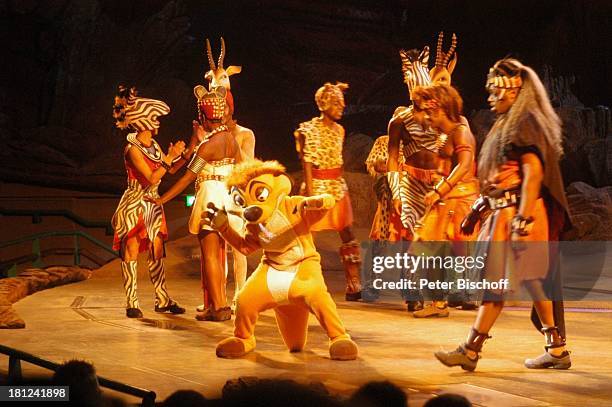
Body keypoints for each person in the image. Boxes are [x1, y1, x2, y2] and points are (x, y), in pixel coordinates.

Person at [434, 58, 571, 370]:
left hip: (518, 216)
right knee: (531, 284)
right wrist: (479, 208)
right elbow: (499, 178)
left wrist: (522, 220)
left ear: (513, 92)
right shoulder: (508, 123)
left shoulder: (525, 124)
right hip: (504, 214)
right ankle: (557, 349)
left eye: (496, 92)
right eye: (491, 92)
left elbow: (533, 174)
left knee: (500, 285)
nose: (490, 97)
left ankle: (470, 350)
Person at [155, 85, 240, 321]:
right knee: (220, 254)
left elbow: (186, 178)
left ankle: (219, 307)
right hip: (227, 197)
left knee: (211, 255)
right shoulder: (231, 141)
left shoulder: (208, 146)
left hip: (210, 198)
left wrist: (161, 199)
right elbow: (243, 171)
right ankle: (218, 303)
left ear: (203, 116)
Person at [111, 86, 186, 318]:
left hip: (152, 203)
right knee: (131, 249)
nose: (158, 123)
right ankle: (131, 302)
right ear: (144, 122)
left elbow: (169, 170)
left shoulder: (154, 146)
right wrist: (171, 158)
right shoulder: (132, 149)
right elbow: (152, 176)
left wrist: (188, 150)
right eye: (155, 119)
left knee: (156, 250)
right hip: (135, 202)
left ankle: (162, 299)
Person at [409, 84, 479, 318]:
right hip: (445, 198)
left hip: (459, 199)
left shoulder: (461, 131)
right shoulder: (444, 135)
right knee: (425, 247)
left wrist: (440, 189)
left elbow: (465, 165)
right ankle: (438, 303)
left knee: (442, 250)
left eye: (430, 112)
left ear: (442, 110)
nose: (427, 117)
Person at [294, 82, 362, 301]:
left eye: (342, 103)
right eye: (336, 103)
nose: (341, 108)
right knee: (306, 235)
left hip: (337, 187)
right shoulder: (308, 129)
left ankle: (354, 283)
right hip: (318, 186)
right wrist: (311, 195)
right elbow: (307, 163)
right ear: (324, 105)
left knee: (347, 233)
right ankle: (303, 279)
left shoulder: (340, 130)